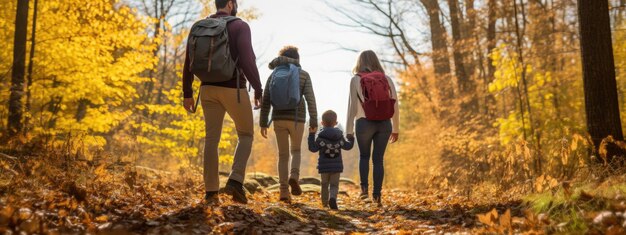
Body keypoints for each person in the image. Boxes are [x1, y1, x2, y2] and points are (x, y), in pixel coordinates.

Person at [182, 0, 263, 204]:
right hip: (233, 88)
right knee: (245, 134)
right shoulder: (239, 26)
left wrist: (187, 93)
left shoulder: (198, 26)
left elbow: (188, 61)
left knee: (211, 139)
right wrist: (258, 88)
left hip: (206, 88)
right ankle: (235, 181)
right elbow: (247, 59)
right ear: (229, 4)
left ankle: (211, 192)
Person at [260, 46, 318, 202]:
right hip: (297, 119)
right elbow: (310, 99)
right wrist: (314, 120)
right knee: (296, 151)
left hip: (279, 118)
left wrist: (263, 122)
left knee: (283, 155)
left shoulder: (274, 75)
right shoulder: (303, 75)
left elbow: (266, 100)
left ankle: (284, 192)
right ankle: (294, 176)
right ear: (297, 59)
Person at [345, 50, 399, 207]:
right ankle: (377, 196)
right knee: (378, 160)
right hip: (384, 123)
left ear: (360, 62)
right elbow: (395, 104)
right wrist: (396, 128)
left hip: (364, 123)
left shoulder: (356, 79)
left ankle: (364, 192)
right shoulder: (386, 79)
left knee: (364, 157)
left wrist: (348, 131)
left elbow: (352, 107)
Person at [308, 110, 354, 210]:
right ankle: (332, 198)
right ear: (336, 123)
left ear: (322, 123)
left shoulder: (320, 138)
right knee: (334, 185)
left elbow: (312, 148)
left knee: (324, 184)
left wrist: (311, 134)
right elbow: (348, 146)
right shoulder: (340, 137)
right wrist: (351, 138)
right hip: (336, 166)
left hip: (324, 167)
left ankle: (324, 204)